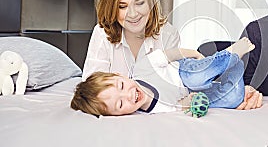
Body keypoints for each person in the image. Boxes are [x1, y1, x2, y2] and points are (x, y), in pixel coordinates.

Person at [82, 0, 262, 109]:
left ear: (151, 3)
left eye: (140, 3)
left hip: (183, 82)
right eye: (122, 6)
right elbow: (92, 88)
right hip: (169, 99)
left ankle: (230, 57)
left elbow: (178, 82)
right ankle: (232, 72)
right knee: (230, 97)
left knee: (197, 80)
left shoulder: (167, 34)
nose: (133, 14)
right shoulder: (102, 34)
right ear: (113, 8)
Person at [71, 38, 257, 116]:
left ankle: (230, 53)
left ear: (119, 74)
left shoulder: (142, 68)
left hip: (185, 71)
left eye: (121, 86)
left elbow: (170, 54)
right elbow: (182, 105)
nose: (128, 95)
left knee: (196, 78)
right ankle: (236, 64)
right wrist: (191, 104)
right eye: (120, 104)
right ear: (115, 115)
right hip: (192, 91)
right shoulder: (156, 112)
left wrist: (193, 53)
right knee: (233, 99)